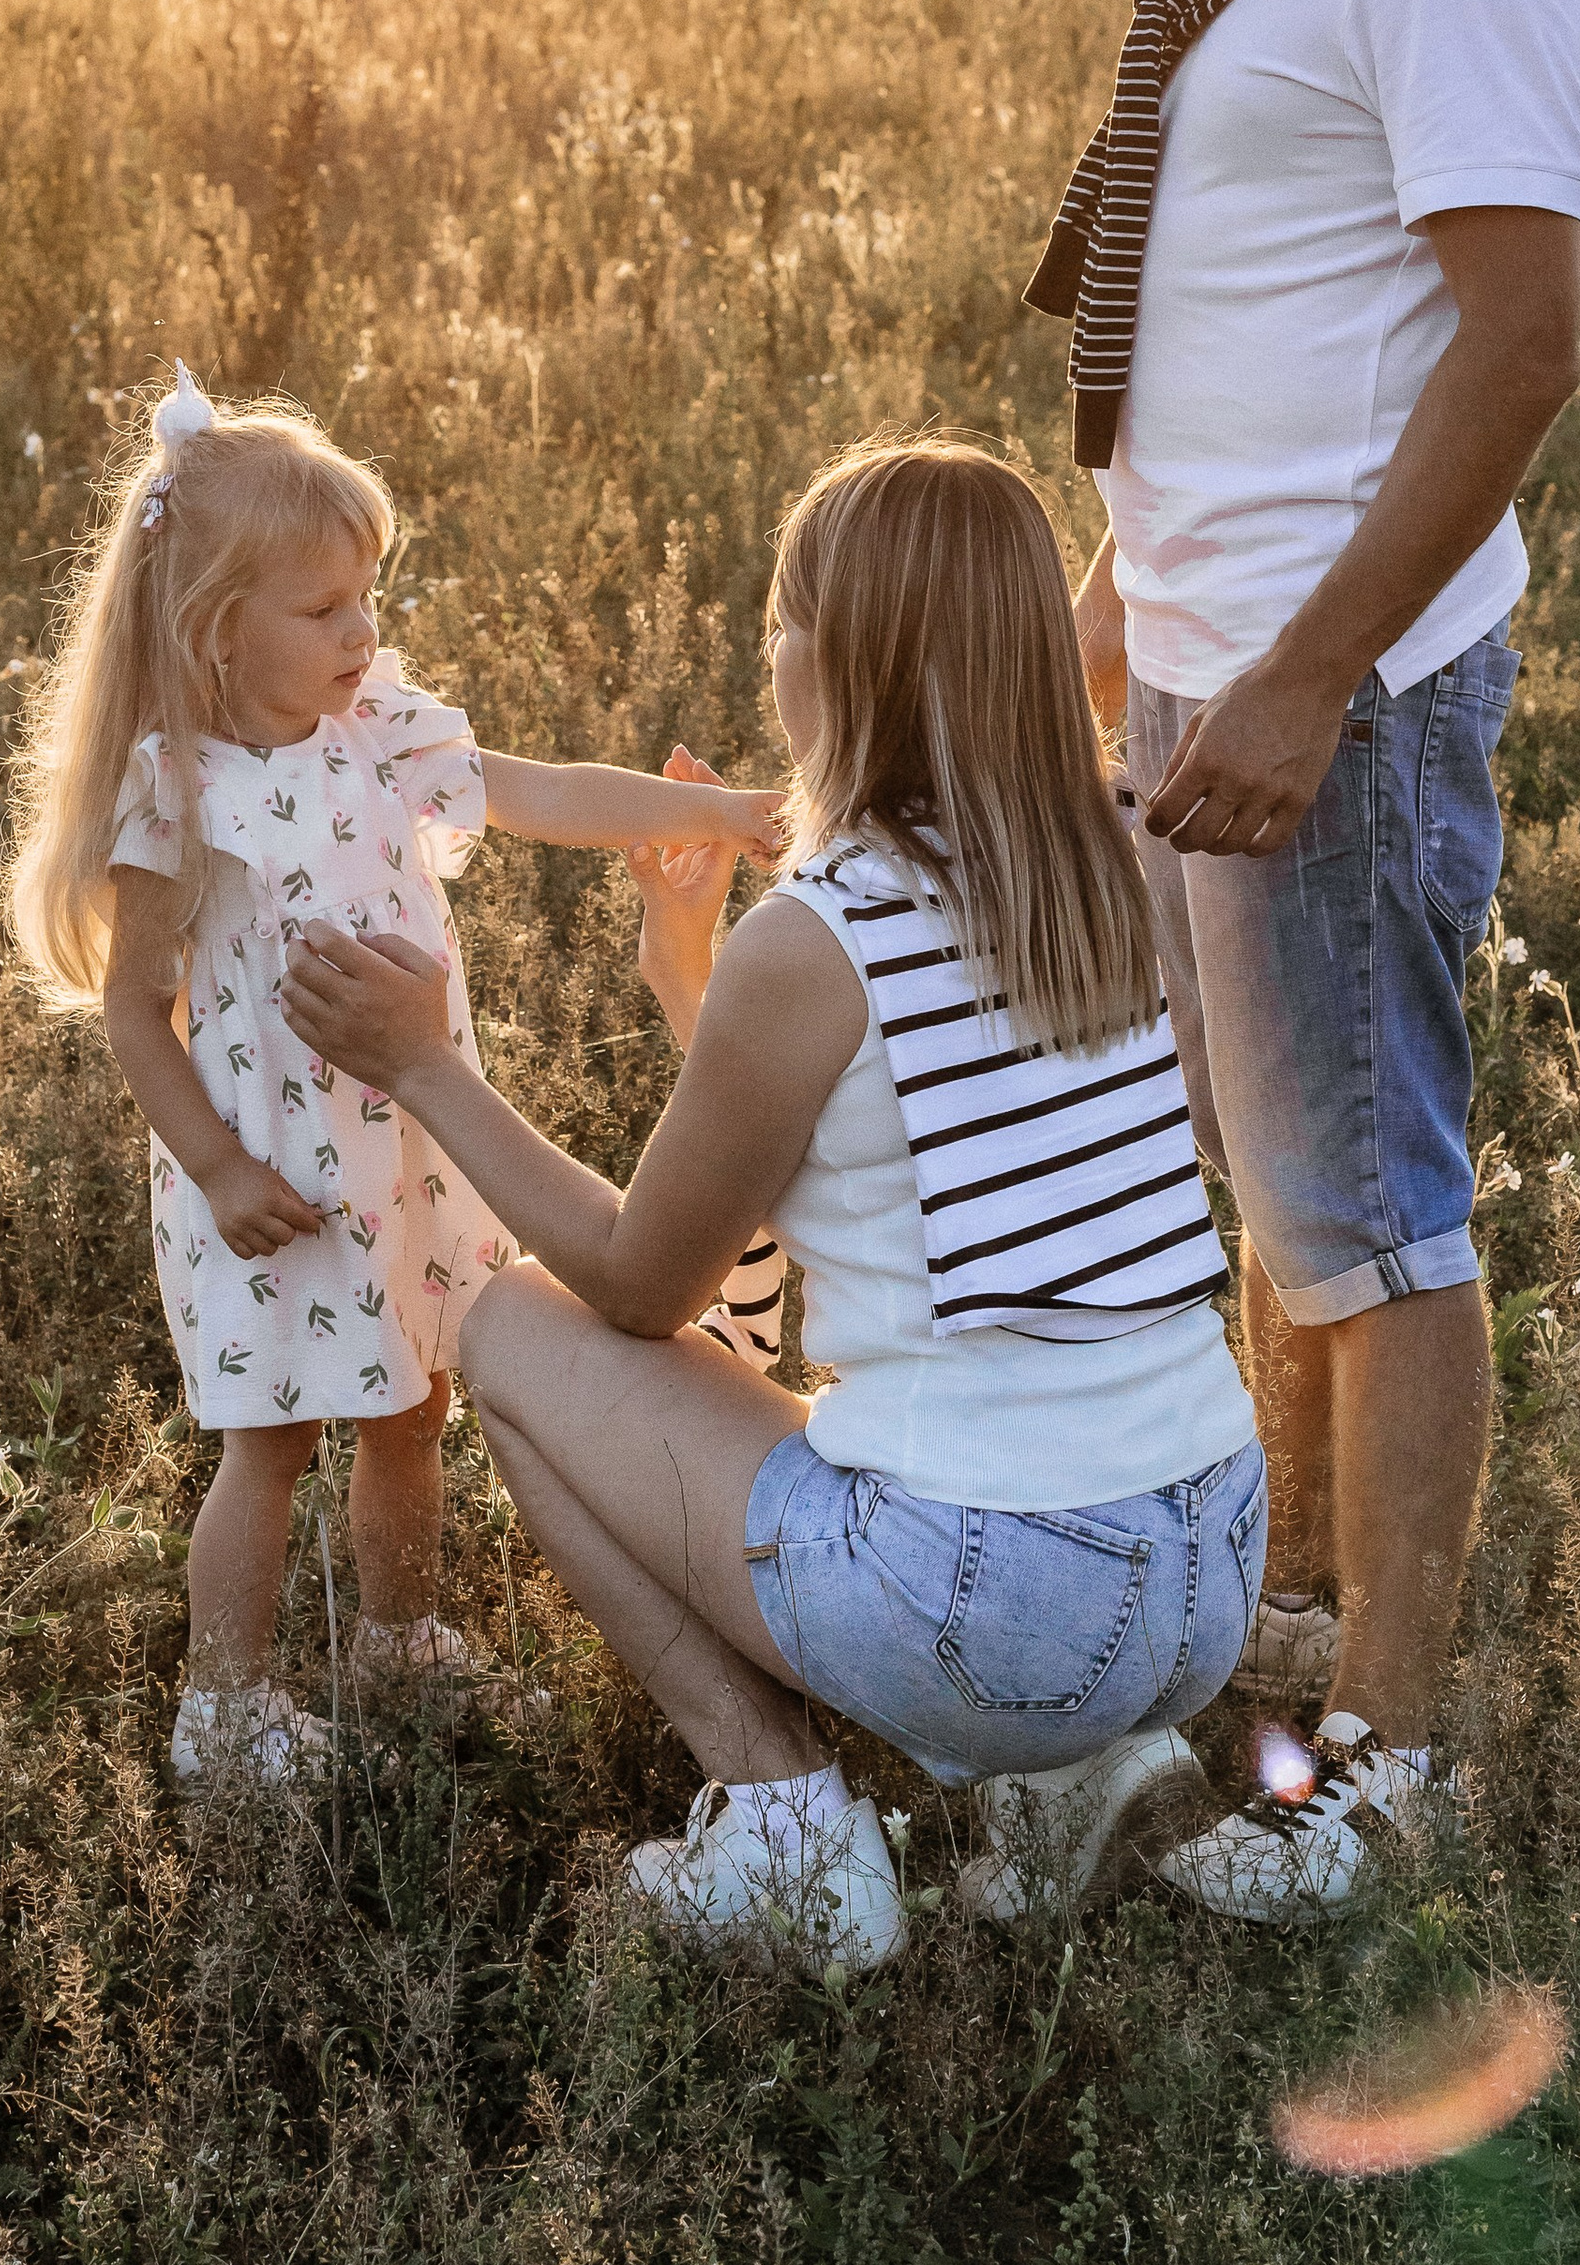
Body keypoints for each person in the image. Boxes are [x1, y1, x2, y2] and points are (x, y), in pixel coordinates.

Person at [282, 439, 1269, 1975]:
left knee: (512, 1325)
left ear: (835, 659)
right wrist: (691, 976)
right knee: (914, 1399)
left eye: (779, 621)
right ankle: (1092, 1772)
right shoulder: (1119, 848)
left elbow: (634, 1285)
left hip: (1002, 1598)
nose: (768, 652)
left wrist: (425, 1068)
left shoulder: (824, 935)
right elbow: (901, 1169)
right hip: (1209, 1556)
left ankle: (789, 1828)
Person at [1021, 0, 1580, 1916]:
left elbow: (1515, 345)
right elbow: (1268, 313)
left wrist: (1295, 673)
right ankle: (1287, 1617)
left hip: (1324, 693)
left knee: (1367, 1215)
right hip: (1212, 651)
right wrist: (1122, 586)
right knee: (1280, 1196)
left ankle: (1388, 1757)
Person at [8, 366, 780, 1785]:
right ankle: (226, 1707)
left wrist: (718, 810)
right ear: (214, 628)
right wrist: (221, 1169)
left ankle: (401, 1637)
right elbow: (136, 1012)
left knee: (413, 1404)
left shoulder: (385, 730)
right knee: (275, 1434)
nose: (363, 630)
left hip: (408, 1149)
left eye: (370, 596)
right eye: (324, 610)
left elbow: (541, 789)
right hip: (273, 1177)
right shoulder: (178, 789)